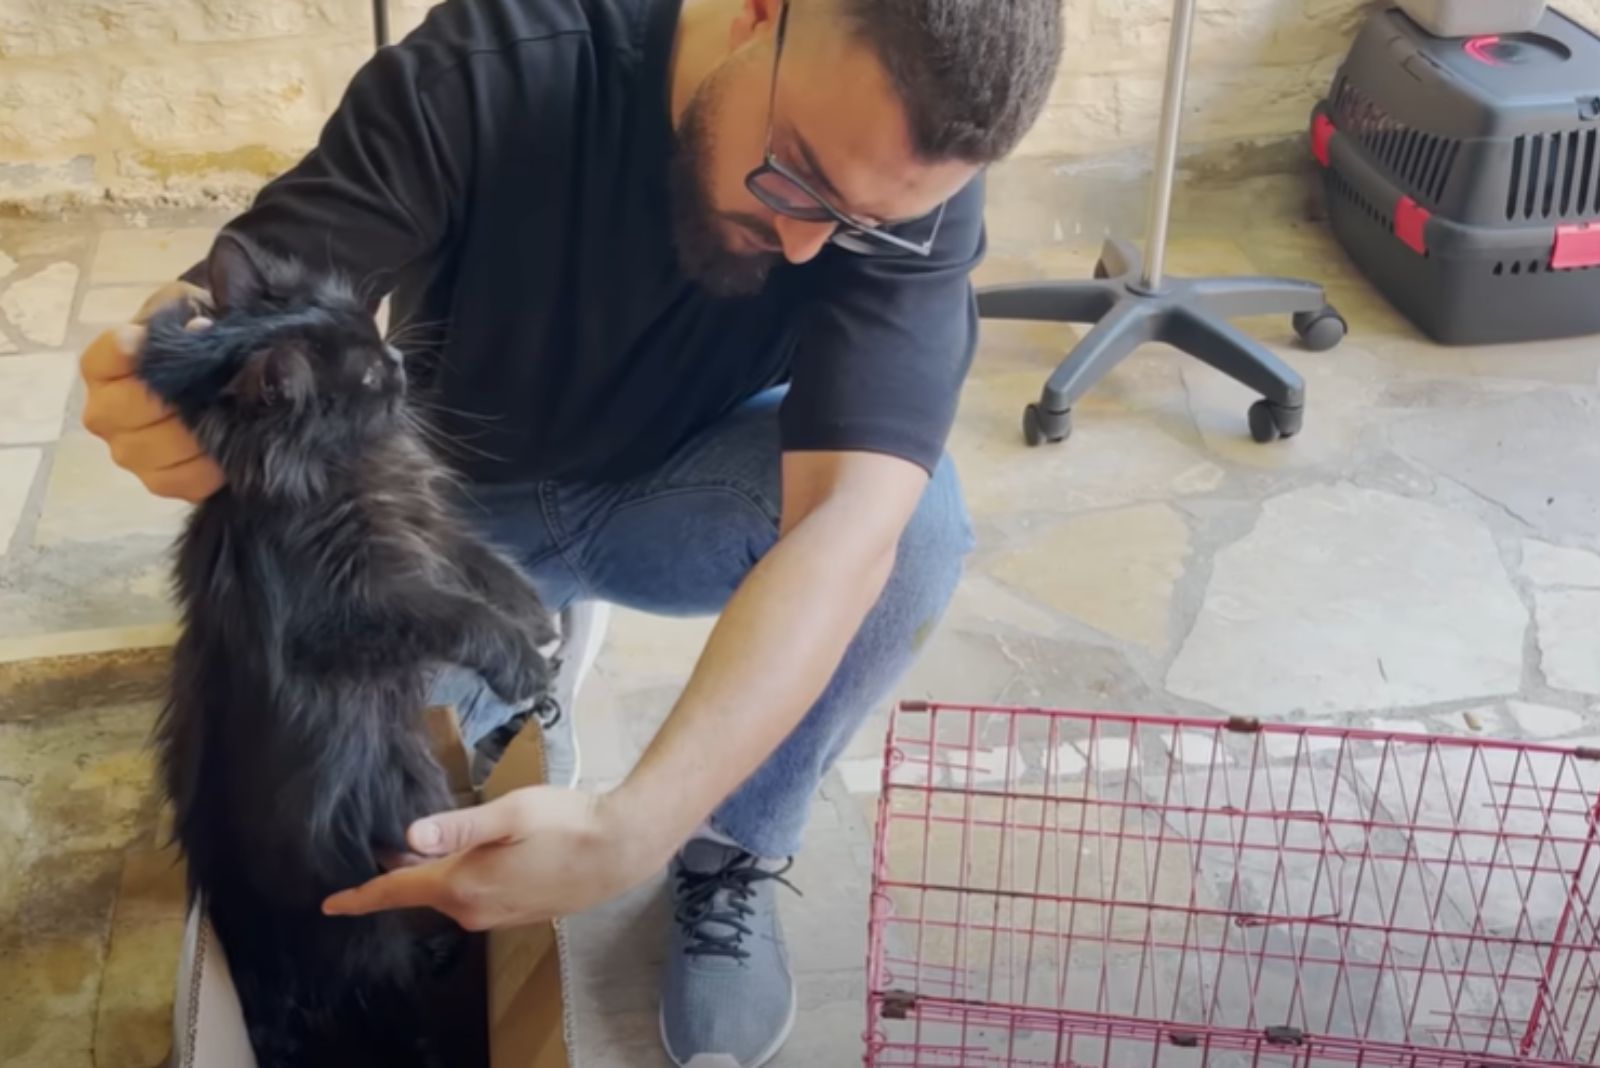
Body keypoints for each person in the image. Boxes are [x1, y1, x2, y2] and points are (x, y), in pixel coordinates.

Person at [78, 0, 1062, 1063]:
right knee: (333, 832)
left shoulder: (902, 186)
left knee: (915, 531)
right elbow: (243, 308)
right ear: (754, 15)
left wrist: (634, 827)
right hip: (438, 521)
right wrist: (161, 388)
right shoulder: (504, 54)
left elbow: (848, 527)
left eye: (858, 225)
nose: (804, 240)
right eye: (795, 176)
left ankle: (729, 849)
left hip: (678, 487)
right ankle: (510, 717)